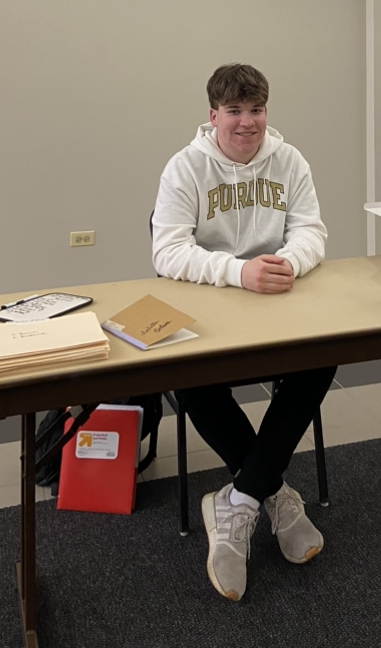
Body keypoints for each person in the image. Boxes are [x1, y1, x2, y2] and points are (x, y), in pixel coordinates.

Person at [152, 63, 336, 601]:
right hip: (211, 308)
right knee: (191, 376)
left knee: (322, 356)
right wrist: (238, 271)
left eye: (256, 110)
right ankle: (273, 494)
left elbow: (311, 231)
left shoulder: (289, 160)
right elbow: (167, 252)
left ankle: (239, 499)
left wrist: (288, 262)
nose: (247, 122)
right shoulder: (185, 168)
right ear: (213, 116)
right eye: (234, 111)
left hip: (276, 306)